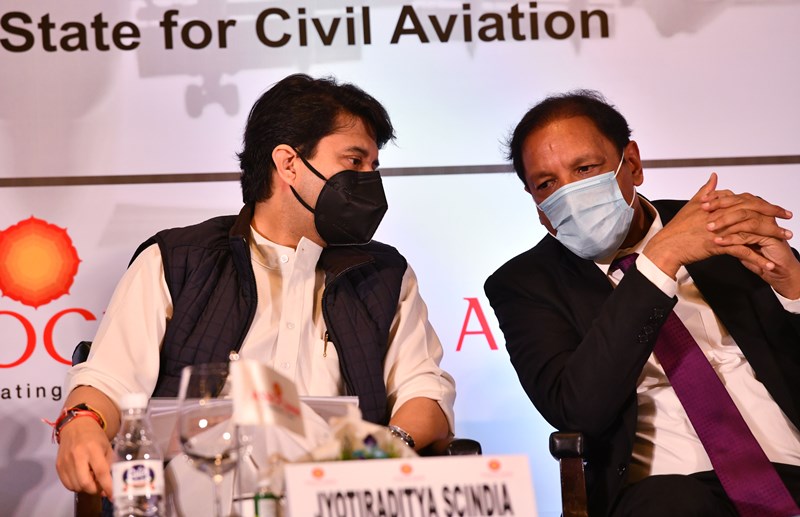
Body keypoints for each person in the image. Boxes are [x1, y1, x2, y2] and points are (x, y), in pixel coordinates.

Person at [53, 73, 456, 501]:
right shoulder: (177, 260)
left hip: (337, 496)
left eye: (374, 167)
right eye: (354, 162)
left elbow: (424, 393)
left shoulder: (385, 274)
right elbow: (110, 380)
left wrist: (380, 449)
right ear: (288, 163)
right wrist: (82, 423)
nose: (369, 180)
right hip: (198, 499)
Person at [484, 90, 800, 516]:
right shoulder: (525, 284)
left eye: (585, 169)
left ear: (631, 163)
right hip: (666, 493)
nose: (569, 192)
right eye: (547, 184)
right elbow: (577, 409)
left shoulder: (717, 224)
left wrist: (794, 288)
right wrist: (659, 262)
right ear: (536, 203)